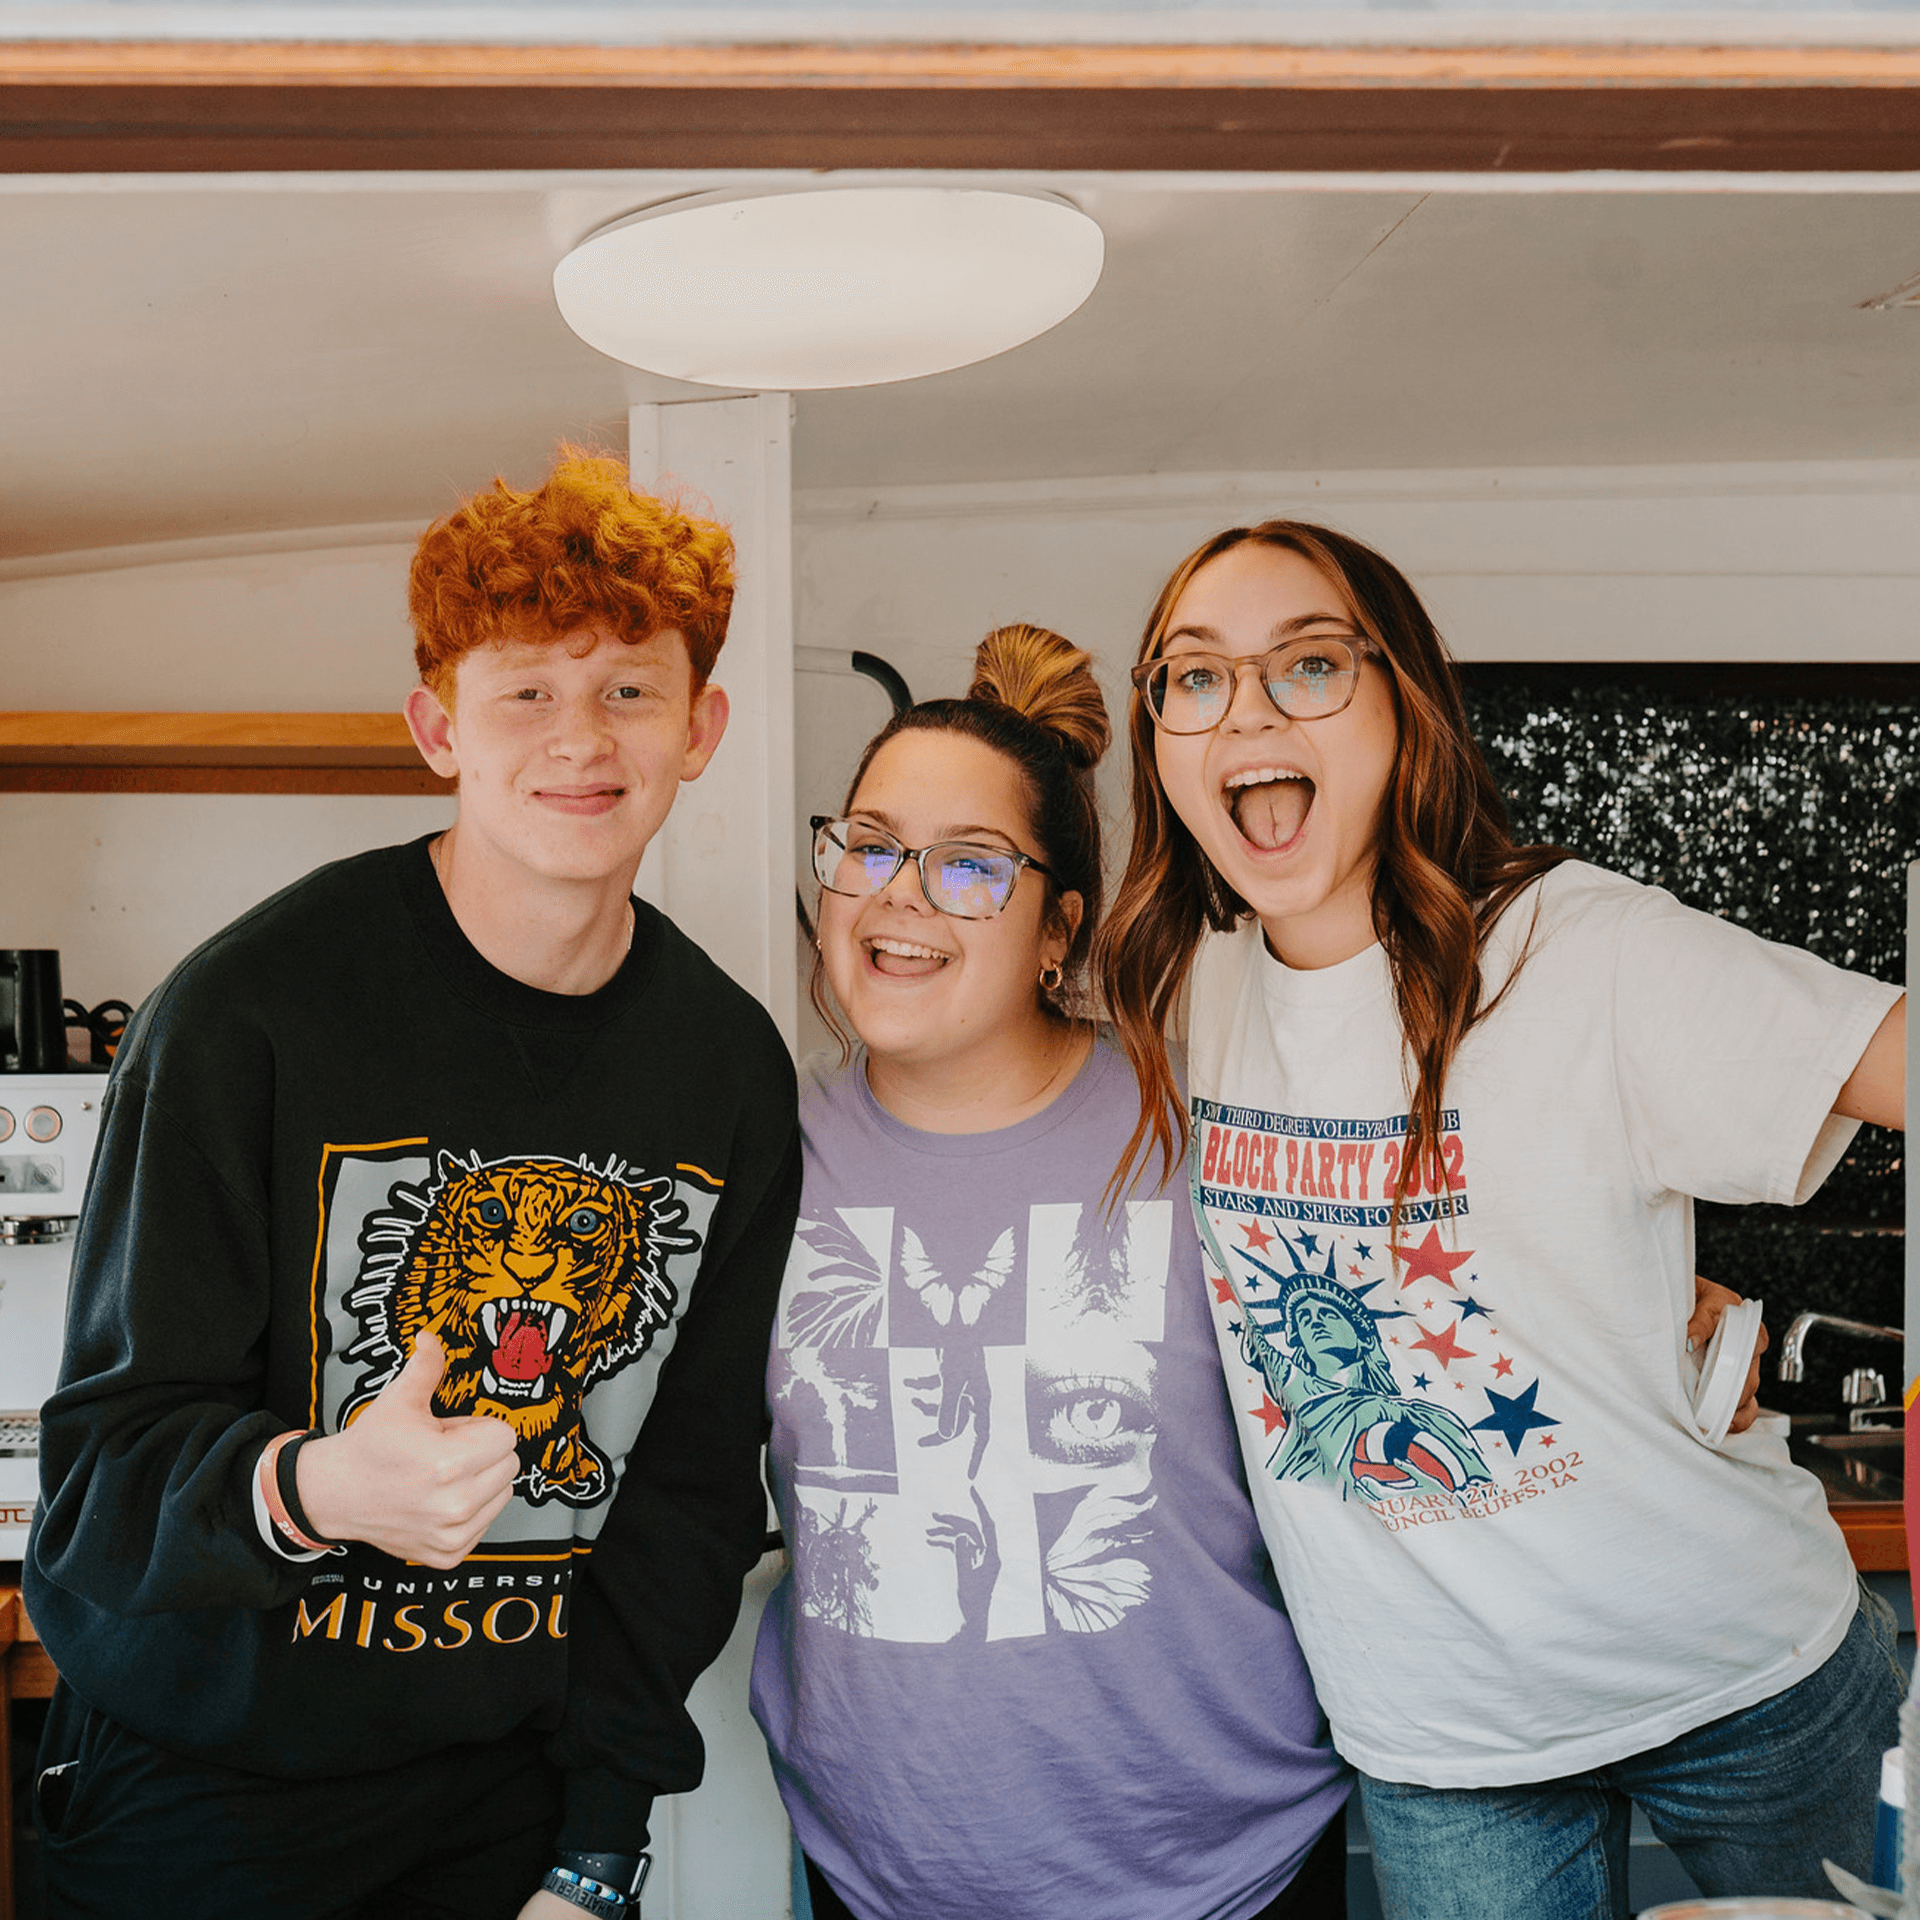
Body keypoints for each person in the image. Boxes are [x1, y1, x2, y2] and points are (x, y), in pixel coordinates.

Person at [25, 449, 801, 1920]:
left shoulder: (729, 1070)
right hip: (202, 1802)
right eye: (525, 691)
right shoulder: (245, 1011)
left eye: (629, 689)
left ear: (699, 727)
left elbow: (689, 1496)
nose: (582, 738)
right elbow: (98, 1483)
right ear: (437, 728)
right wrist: (320, 1485)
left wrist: (596, 1848)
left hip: (506, 1806)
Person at [1097, 518, 1909, 1920]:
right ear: (1161, 739)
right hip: (1444, 1736)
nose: (1248, 709)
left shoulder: (1578, 950)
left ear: (1404, 703)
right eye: (1196, 676)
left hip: (1745, 1677)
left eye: (1307, 666)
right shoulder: (1181, 992)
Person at [750, 626, 1355, 1920]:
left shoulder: (1210, 1131)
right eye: (869, 845)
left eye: (972, 866)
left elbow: (1395, 1341)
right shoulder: (761, 1154)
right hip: (876, 1879)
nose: (898, 895)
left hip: (1227, 1878)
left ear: (1056, 929)